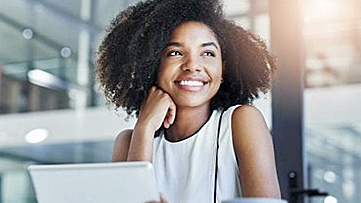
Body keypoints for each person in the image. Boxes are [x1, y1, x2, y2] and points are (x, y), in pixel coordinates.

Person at [96, 0, 281, 202]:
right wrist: (145, 127)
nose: (193, 66)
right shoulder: (129, 142)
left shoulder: (241, 122)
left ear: (223, 69)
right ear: (150, 64)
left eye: (208, 53)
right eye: (175, 53)